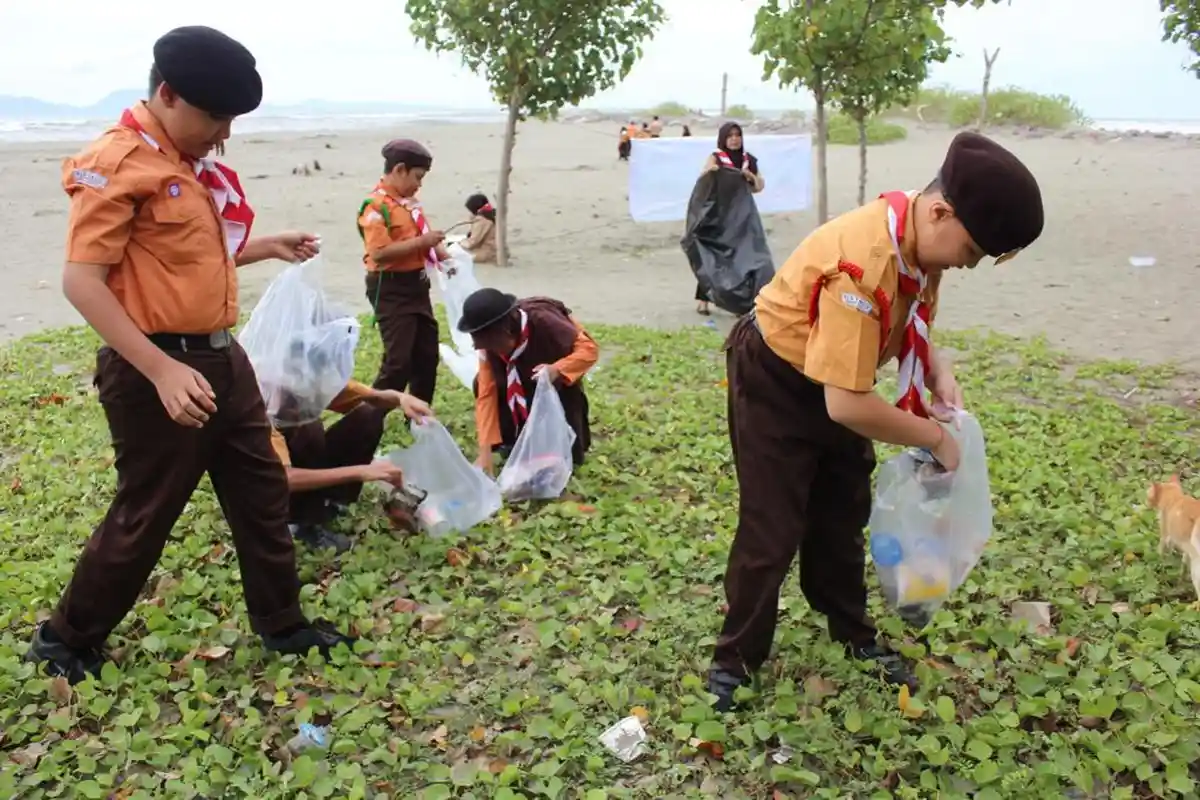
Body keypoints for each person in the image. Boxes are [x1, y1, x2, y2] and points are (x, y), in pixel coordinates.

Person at [25, 26, 354, 684]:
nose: (223, 134)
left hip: (222, 360)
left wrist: (265, 247)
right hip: (156, 370)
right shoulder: (120, 162)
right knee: (148, 510)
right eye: (215, 116)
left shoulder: (186, 164)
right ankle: (65, 640)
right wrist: (160, 368)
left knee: (261, 493)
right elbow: (82, 281)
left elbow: (187, 261)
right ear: (168, 95)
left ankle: (282, 624)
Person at [706, 131, 1044, 712]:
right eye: (971, 251)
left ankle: (850, 628)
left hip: (842, 375)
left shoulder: (916, 232)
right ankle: (733, 661)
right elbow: (848, 405)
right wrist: (937, 438)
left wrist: (936, 364)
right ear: (941, 211)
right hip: (778, 379)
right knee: (774, 526)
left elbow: (908, 315)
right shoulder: (862, 266)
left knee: (843, 509)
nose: (967, 265)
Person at [271, 381, 434, 553]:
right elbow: (282, 478)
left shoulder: (304, 377)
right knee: (309, 428)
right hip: (268, 482)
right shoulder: (262, 400)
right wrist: (360, 471)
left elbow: (373, 397)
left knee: (369, 413)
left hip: (292, 456)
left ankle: (332, 499)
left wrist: (401, 398)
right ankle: (300, 522)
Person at [459, 288, 598, 476]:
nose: (478, 347)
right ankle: (513, 439)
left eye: (485, 341)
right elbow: (486, 394)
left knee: (564, 459)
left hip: (557, 386)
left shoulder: (544, 321)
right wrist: (485, 452)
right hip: (518, 387)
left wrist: (556, 369)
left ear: (505, 331)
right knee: (481, 382)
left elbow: (589, 350)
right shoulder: (488, 349)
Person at [357, 139, 449, 403]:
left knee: (426, 355)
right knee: (398, 363)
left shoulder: (410, 204)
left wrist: (444, 256)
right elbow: (379, 253)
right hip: (390, 288)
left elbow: (425, 237)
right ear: (399, 169)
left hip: (417, 286)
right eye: (417, 177)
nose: (419, 184)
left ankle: (420, 417)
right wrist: (423, 243)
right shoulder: (375, 206)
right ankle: (367, 417)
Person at [694, 121, 765, 315]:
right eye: (730, 136)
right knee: (713, 257)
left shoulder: (748, 160)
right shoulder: (716, 158)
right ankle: (703, 299)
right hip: (718, 214)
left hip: (742, 216)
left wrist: (750, 176)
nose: (734, 139)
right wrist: (712, 172)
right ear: (723, 138)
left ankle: (738, 303)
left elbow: (758, 187)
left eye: (737, 135)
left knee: (742, 258)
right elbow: (703, 179)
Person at [461, 193, 497, 264]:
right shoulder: (490, 215)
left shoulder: (482, 221)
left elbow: (472, 242)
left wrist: (459, 243)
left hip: (484, 254)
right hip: (492, 251)